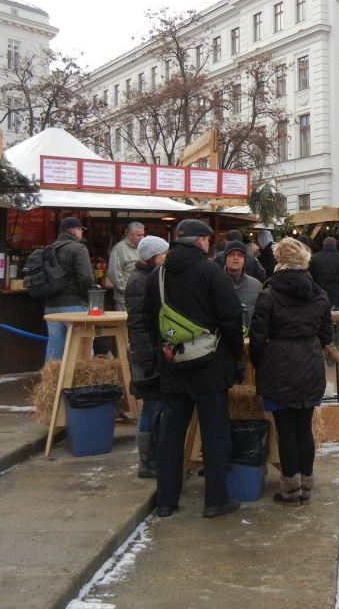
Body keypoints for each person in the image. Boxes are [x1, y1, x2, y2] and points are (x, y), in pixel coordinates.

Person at [142, 219, 244, 519]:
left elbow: (149, 322)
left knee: (172, 433)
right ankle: (215, 500)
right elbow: (230, 318)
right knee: (214, 434)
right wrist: (235, 354)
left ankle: (166, 501)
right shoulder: (212, 272)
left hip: (173, 365)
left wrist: (162, 352)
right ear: (201, 242)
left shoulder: (157, 276)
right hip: (210, 366)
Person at [249, 238, 331, 505]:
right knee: (304, 428)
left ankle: (290, 490)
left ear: (279, 261)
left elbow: (258, 339)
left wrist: (261, 363)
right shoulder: (319, 293)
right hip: (309, 364)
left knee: (286, 431)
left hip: (279, 367)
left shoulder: (268, 294)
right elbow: (327, 336)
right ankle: (306, 487)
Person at [125, 235, 169, 479]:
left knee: (157, 405)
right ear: (153, 256)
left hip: (152, 350)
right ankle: (146, 460)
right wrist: (148, 357)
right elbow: (139, 324)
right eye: (163, 253)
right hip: (147, 353)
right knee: (151, 406)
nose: (166, 257)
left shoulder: (148, 278)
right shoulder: (140, 282)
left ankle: (155, 455)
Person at [43, 217, 96, 362]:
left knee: (55, 347)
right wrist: (89, 294)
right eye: (80, 230)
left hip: (51, 305)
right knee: (82, 347)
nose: (81, 234)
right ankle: (82, 382)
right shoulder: (79, 249)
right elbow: (86, 278)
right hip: (75, 304)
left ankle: (52, 382)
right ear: (75, 230)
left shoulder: (49, 248)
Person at [222, 240, 263, 334]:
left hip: (249, 342)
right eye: (232, 254)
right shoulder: (215, 282)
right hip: (221, 342)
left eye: (240, 255)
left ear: (245, 259)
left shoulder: (256, 285)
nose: (236, 258)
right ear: (226, 257)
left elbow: (261, 317)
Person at [107, 222, 145, 311]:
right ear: (128, 234)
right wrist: (131, 291)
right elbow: (115, 275)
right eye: (138, 235)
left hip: (142, 298)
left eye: (143, 235)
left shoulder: (144, 248)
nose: (142, 238)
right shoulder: (118, 249)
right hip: (124, 300)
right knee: (124, 324)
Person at [309, 236, 339, 313]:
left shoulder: (314, 258)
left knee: (319, 318)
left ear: (323, 245)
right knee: (336, 319)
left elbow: (309, 275)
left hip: (318, 294)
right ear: (335, 246)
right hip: (336, 295)